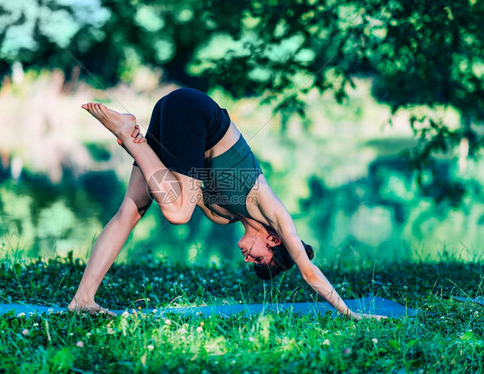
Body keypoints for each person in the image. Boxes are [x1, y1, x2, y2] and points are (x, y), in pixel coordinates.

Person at [68, 88, 385, 320]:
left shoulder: (222, 217)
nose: (249, 260)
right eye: (261, 260)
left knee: (132, 209)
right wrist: (351, 313)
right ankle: (130, 133)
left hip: (173, 115)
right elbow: (309, 272)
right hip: (195, 112)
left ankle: (83, 299)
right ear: (273, 240)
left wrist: (138, 152)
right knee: (179, 213)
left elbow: (167, 185)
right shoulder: (272, 209)